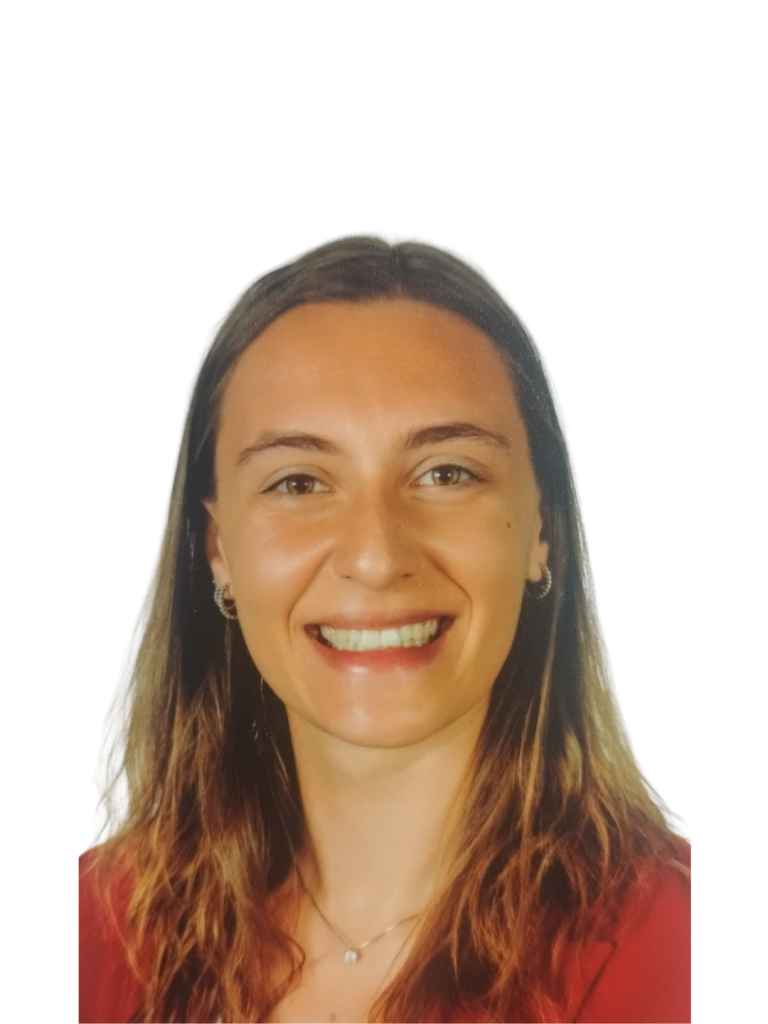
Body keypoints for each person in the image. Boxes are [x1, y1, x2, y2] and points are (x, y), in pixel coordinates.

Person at [78, 232, 692, 1024]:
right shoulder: (102, 927)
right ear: (218, 549)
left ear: (543, 526)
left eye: (446, 473)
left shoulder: (673, 946)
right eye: (298, 482)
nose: (375, 557)